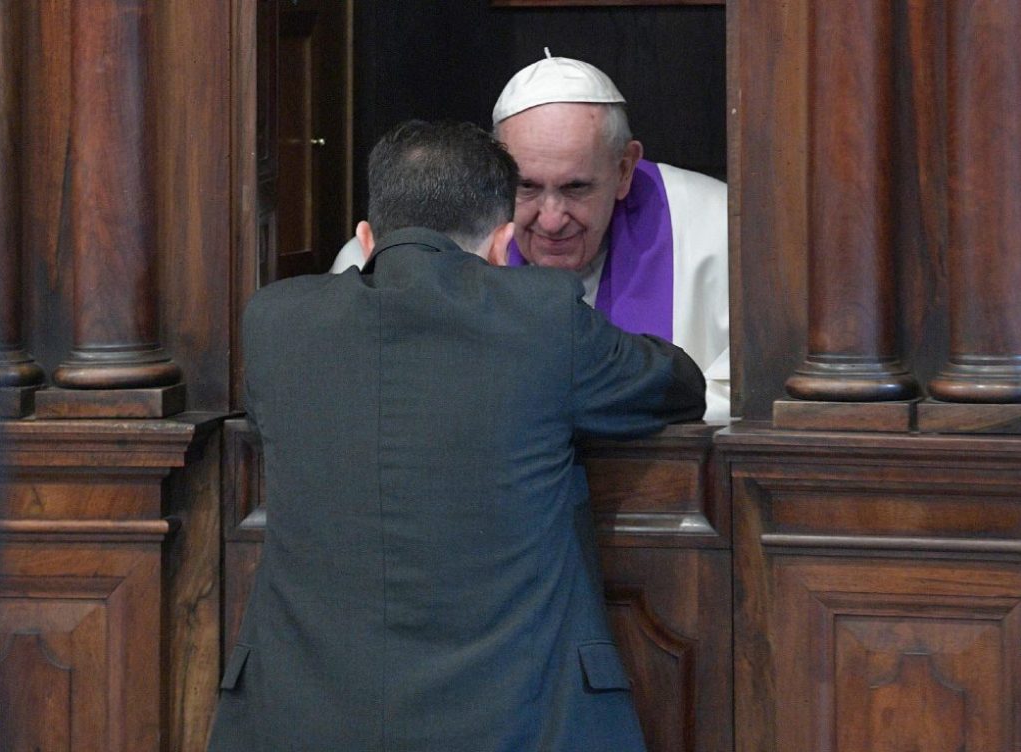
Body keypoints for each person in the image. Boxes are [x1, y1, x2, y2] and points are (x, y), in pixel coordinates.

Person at [208, 120, 706, 751]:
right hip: (517, 723)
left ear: (366, 239)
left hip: (301, 720)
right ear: (502, 245)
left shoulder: (275, 324)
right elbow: (679, 385)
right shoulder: (542, 317)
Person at [331, 52, 730, 420]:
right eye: (526, 187)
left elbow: (735, 400)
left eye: (576, 187)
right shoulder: (422, 238)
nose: (552, 220)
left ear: (624, 169)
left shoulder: (715, 226)